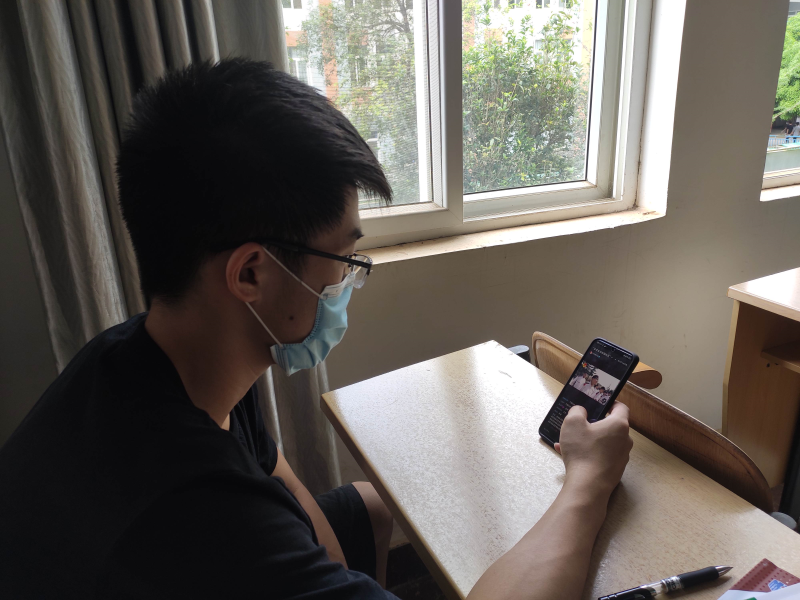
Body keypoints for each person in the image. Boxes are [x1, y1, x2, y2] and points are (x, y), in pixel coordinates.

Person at [0, 59, 633, 600]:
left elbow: (281, 482)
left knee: (371, 504)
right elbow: (237, 531)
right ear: (251, 273)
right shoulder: (200, 517)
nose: (348, 281)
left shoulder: (155, 358)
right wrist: (589, 479)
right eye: (344, 258)